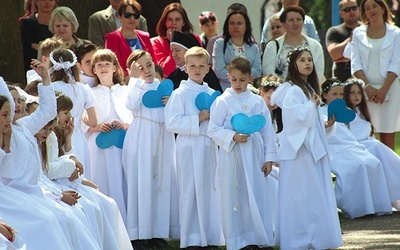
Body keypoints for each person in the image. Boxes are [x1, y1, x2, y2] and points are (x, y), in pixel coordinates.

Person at [271, 48, 342, 249]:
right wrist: (311, 107)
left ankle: (317, 235)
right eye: (302, 60)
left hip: (310, 150)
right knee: (300, 194)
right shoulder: (293, 89)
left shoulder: (308, 89)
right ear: (294, 64)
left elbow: (310, 119)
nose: (308, 63)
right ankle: (301, 237)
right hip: (299, 151)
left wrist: (324, 124)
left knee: (313, 193)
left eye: (310, 59)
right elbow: (294, 119)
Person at [208, 58, 277, 250]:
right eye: (234, 79)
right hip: (233, 156)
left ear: (250, 78)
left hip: (254, 156)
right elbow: (213, 129)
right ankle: (238, 240)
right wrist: (232, 136)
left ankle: (257, 236)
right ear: (228, 77)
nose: (238, 84)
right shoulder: (222, 101)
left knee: (256, 194)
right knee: (235, 195)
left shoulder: (257, 101)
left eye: (242, 80)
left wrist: (269, 158)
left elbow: (267, 131)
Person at [164, 47, 224, 249]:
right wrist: (197, 119)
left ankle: (211, 235)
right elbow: (171, 122)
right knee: (190, 190)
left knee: (210, 189)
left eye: (201, 66)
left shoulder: (213, 94)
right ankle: (191, 238)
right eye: (192, 66)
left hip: (208, 147)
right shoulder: (180, 93)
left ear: (208, 68)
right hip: (189, 147)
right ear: (185, 68)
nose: (197, 70)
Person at [122, 50, 179, 249]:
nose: (146, 70)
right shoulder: (134, 87)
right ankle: (140, 233)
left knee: (161, 183)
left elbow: (174, 115)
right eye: (140, 68)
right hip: (141, 139)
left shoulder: (164, 88)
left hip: (162, 139)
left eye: (149, 65)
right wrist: (135, 81)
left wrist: (170, 103)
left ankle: (158, 232)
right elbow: (130, 104)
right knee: (142, 182)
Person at [320, 79, 393, 218]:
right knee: (356, 166)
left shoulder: (344, 111)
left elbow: (348, 134)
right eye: (334, 94)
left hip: (349, 146)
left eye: (341, 94)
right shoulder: (320, 111)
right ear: (325, 95)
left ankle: (374, 205)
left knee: (373, 162)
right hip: (333, 149)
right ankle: (356, 208)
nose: (338, 97)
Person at [86, 49, 132, 223]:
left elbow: (134, 115)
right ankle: (107, 222)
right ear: (94, 70)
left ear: (114, 67)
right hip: (99, 144)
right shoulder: (91, 92)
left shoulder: (125, 90)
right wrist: (97, 126)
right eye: (99, 65)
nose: (103, 68)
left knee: (122, 178)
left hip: (122, 142)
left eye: (107, 64)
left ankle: (127, 222)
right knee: (103, 178)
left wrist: (126, 125)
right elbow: (84, 120)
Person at [343, 78, 400, 210]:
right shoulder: (346, 113)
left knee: (387, 158)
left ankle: (394, 195)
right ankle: (392, 197)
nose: (356, 96)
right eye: (352, 93)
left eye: (358, 92)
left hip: (370, 144)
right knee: (378, 152)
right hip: (358, 146)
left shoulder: (363, 112)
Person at [350, 0, 400, 151]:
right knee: (367, 134)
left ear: (383, 9)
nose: (372, 10)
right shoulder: (358, 33)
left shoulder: (396, 33)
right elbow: (355, 64)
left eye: (374, 6)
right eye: (367, 8)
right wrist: (367, 87)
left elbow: (396, 63)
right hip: (365, 91)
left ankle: (392, 172)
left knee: (387, 135)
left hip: (390, 89)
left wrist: (384, 90)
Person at [50, 48, 97, 180]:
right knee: (82, 179)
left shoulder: (51, 88)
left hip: (57, 137)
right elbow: (93, 122)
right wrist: (79, 116)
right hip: (78, 138)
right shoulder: (83, 89)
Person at [262, 6, 324, 83]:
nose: (295, 23)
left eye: (299, 19)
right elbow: (268, 72)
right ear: (283, 24)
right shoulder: (273, 46)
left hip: (307, 92)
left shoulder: (315, 46)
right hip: (281, 92)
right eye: (291, 20)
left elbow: (318, 74)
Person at [212, 10, 261, 90]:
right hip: (226, 90)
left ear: (246, 26)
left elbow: (257, 72)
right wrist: (245, 72)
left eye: (239, 23)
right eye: (232, 23)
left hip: (249, 90)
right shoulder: (220, 44)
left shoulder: (254, 47)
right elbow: (218, 71)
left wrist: (230, 68)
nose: (235, 26)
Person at [105, 0, 155, 77]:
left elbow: (153, 61)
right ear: (119, 16)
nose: (132, 18)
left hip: (148, 79)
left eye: (136, 15)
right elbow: (114, 65)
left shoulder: (145, 36)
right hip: (125, 82)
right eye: (128, 15)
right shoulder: (112, 38)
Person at [151, 3, 201, 78]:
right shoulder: (156, 42)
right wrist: (173, 41)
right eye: (169, 19)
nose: (174, 23)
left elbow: (200, 63)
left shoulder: (194, 38)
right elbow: (165, 71)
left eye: (177, 19)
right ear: (165, 22)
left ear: (183, 22)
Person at [325, 0, 360, 82]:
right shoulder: (334, 31)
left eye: (354, 8)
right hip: (341, 81)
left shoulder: (367, 29)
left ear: (358, 10)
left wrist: (344, 56)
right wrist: (351, 38)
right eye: (347, 9)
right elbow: (334, 54)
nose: (351, 11)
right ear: (341, 13)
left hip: (364, 81)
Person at [19, 0, 56, 75]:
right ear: (36, 2)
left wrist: (35, 45)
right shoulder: (26, 23)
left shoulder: (58, 24)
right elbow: (25, 45)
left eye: (51, 0)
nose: (47, 2)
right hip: (30, 68)